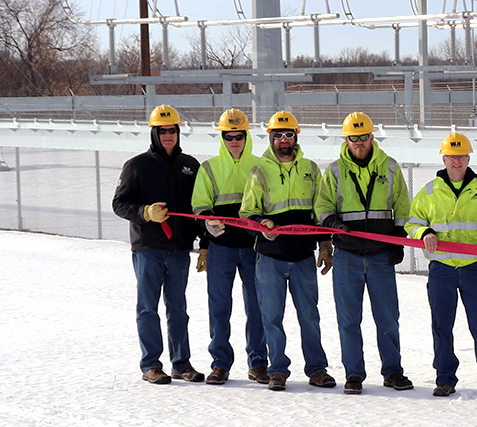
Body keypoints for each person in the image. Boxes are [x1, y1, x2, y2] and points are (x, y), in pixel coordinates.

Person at [314, 112, 413, 395]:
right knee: (348, 319)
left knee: (387, 317)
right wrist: (332, 223)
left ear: (372, 137)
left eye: (364, 137)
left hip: (382, 255)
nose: (359, 142)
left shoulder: (390, 167)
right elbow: (322, 206)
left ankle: (393, 371)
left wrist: (398, 238)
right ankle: (354, 374)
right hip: (347, 256)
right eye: (353, 138)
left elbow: (403, 206)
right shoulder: (334, 171)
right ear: (346, 139)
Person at [407, 131, 477, 399]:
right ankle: (445, 379)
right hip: (442, 269)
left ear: (468, 158)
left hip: (475, 269)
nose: (456, 162)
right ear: (443, 158)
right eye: (452, 157)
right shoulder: (429, 191)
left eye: (461, 156)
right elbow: (412, 223)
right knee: (442, 326)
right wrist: (425, 233)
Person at [240, 110, 335, 392]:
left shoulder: (310, 169)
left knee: (310, 316)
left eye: (288, 134)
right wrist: (261, 224)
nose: (283, 140)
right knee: (271, 317)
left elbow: (320, 211)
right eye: (278, 135)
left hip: (303, 256)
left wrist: (326, 245)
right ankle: (277, 370)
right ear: (270, 138)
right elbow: (247, 213)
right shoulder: (259, 171)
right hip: (270, 257)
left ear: (296, 137)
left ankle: (317, 369)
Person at [111, 104, 206, 384]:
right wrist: (144, 212)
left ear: (178, 132)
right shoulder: (137, 165)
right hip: (148, 249)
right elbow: (119, 204)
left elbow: (198, 209)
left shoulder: (189, 165)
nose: (168, 135)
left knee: (178, 309)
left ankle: (181, 364)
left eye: (172, 130)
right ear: (154, 132)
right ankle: (151, 364)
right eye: (163, 131)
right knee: (147, 308)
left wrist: (205, 243)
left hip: (179, 251)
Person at [190, 108, 269, 385]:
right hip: (221, 247)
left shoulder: (259, 166)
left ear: (246, 136)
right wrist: (206, 225)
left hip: (253, 247)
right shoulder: (209, 168)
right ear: (221, 138)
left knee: (256, 305)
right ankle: (220, 364)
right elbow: (200, 204)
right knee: (219, 306)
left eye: (238, 136)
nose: (233, 141)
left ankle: (258, 363)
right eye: (228, 136)